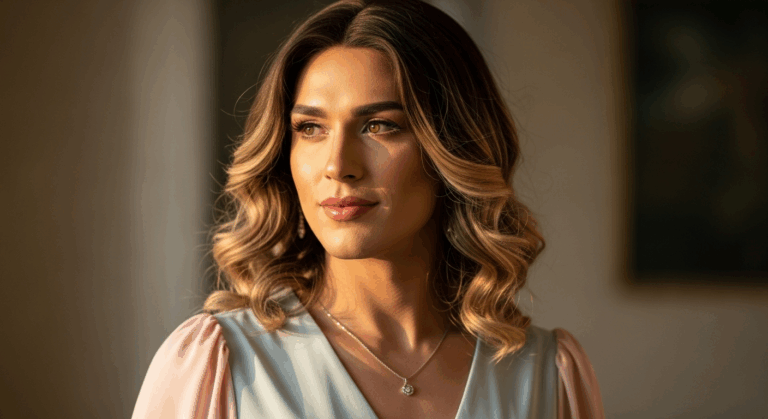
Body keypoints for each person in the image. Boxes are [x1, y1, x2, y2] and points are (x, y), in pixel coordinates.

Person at [132, 0, 604, 417]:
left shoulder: (548, 376)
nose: (338, 166)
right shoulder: (216, 366)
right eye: (311, 128)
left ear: (454, 147)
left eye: (379, 125)